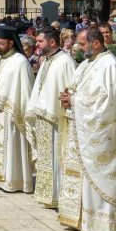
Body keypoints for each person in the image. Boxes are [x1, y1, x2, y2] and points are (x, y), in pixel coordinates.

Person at [57, 28, 116, 231]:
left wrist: (74, 102)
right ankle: (79, 219)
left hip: (100, 135)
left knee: (97, 178)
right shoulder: (86, 64)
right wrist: (67, 96)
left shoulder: (110, 66)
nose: (79, 47)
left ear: (96, 43)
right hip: (80, 129)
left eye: (82, 44)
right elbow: (77, 91)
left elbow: (108, 104)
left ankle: (100, 226)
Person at [24, 27, 77, 209]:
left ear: (52, 42)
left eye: (40, 41)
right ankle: (47, 196)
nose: (37, 45)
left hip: (56, 119)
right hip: (43, 116)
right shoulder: (46, 61)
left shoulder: (65, 62)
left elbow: (71, 89)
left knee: (57, 159)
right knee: (46, 160)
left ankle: (58, 196)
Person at [0, 24, 34, 193]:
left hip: (11, 114)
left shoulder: (21, 62)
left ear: (11, 43)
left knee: (11, 149)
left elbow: (25, 93)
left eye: (1, 43)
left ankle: (14, 181)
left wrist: (19, 111)